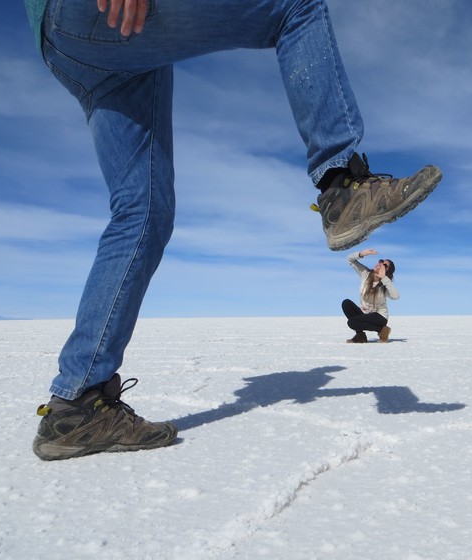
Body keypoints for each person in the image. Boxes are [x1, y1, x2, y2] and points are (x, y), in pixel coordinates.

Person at [24, 0, 441, 461]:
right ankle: (341, 182)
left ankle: (77, 405)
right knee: (295, 6)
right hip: (87, 17)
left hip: (93, 54)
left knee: (143, 214)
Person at [342, 249, 399, 343]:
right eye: (381, 261)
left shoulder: (385, 284)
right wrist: (361, 254)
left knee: (352, 322)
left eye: (384, 265)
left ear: (387, 271)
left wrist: (384, 278)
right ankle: (361, 336)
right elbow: (349, 259)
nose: (380, 264)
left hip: (379, 316)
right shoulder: (366, 274)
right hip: (365, 313)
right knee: (346, 303)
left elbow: (395, 296)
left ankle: (381, 330)